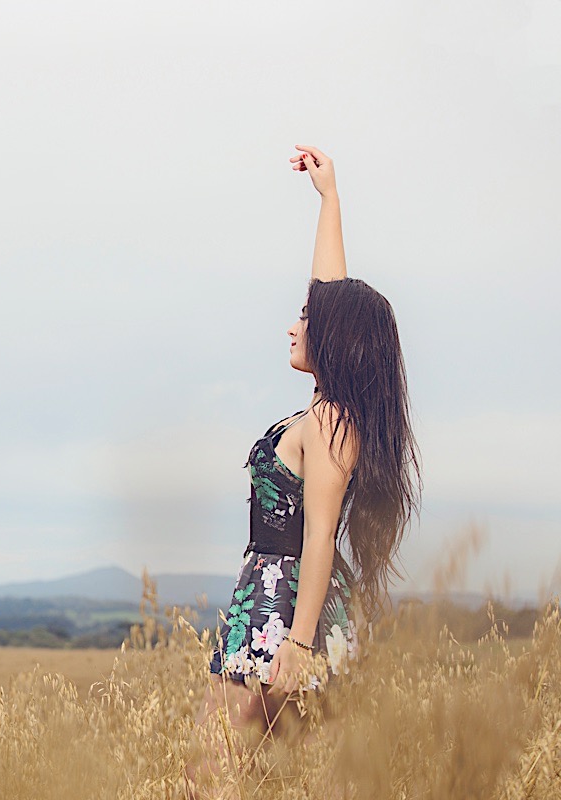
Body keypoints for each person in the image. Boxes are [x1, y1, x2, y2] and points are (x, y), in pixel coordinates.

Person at [186, 145, 423, 788]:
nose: (293, 327)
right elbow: (330, 293)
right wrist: (329, 200)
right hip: (275, 604)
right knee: (256, 779)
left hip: (283, 613)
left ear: (335, 342)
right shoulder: (329, 411)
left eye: (306, 321)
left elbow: (319, 534)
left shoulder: (330, 425)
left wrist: (296, 641)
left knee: (210, 777)